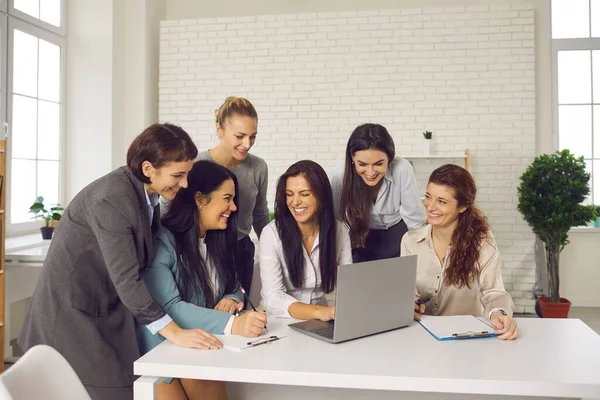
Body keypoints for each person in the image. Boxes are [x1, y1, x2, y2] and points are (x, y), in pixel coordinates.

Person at [18, 123, 224, 400]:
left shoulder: (145, 195)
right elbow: (128, 280)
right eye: (178, 175)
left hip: (105, 313)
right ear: (149, 168)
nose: (185, 184)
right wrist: (176, 333)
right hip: (71, 320)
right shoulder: (112, 200)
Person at [138, 160, 267, 400]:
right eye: (227, 198)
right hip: (160, 349)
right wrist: (233, 325)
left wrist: (232, 297)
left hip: (199, 346)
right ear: (200, 200)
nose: (234, 206)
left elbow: (234, 285)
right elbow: (169, 307)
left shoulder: (216, 241)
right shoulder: (163, 242)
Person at [401, 164, 518, 340]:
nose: (430, 207)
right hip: (421, 336)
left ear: (462, 207)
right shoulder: (410, 241)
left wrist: (498, 313)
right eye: (428, 196)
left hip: (466, 339)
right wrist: (408, 305)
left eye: (441, 201)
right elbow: (407, 291)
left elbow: (494, 291)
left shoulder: (482, 242)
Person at [260, 160, 352, 320]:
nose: (295, 202)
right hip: (280, 319)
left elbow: (348, 285)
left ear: (321, 196)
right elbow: (273, 296)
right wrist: (318, 312)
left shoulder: (340, 231)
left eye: (304, 194)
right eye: (289, 194)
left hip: (321, 320)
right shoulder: (271, 233)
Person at [195, 96, 269, 296]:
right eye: (240, 136)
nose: (247, 144)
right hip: (203, 249)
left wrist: (275, 250)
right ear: (219, 130)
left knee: (239, 310)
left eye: (253, 136)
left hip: (240, 250)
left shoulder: (258, 167)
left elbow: (260, 214)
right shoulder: (196, 164)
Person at [330, 123, 426, 263]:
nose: (370, 173)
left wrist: (420, 258)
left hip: (397, 237)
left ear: (390, 157)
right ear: (352, 158)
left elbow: (415, 221)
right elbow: (335, 221)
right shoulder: (339, 176)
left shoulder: (402, 169)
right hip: (359, 238)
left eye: (378, 164)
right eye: (362, 164)